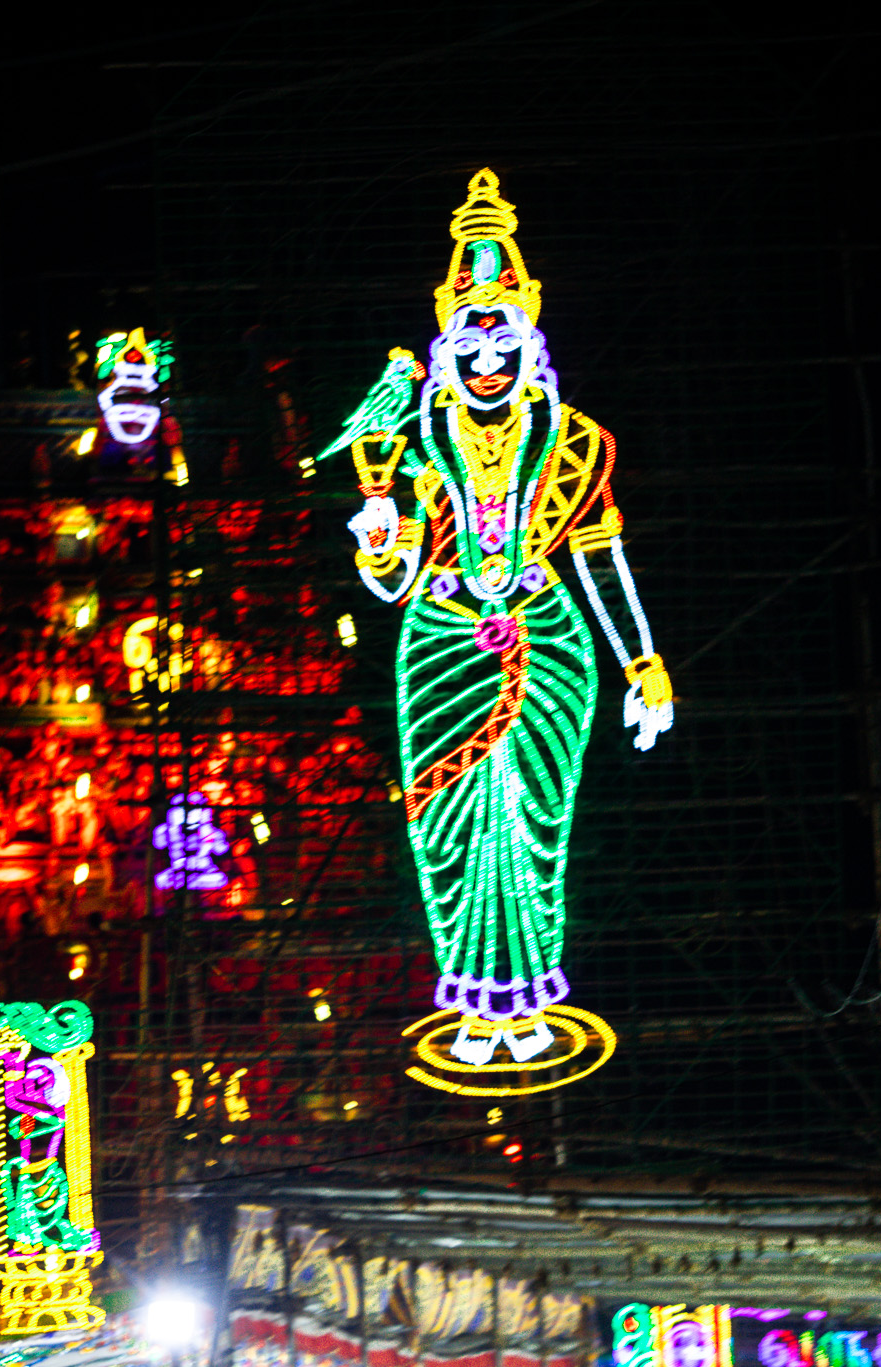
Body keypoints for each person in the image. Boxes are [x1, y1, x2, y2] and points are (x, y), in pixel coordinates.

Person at [324, 170, 673, 1065]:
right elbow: (396, 578)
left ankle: (527, 1011)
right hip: (441, 643)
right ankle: (475, 1009)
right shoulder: (411, 442)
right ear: (448, 333)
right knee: (447, 830)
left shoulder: (577, 440)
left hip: (548, 642)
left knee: (533, 826)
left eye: (503, 336)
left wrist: (643, 661)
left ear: (529, 332)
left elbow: (599, 555)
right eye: (471, 338)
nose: (487, 357)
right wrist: (375, 539)